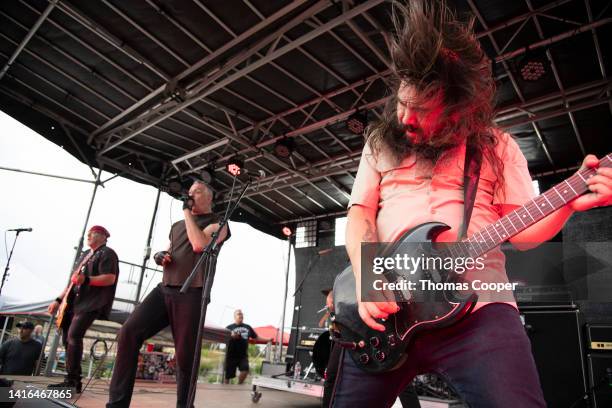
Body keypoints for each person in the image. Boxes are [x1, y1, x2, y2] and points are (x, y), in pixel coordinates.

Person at [331, 2, 612, 407]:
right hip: (384, 312)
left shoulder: (497, 146)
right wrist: (368, 277)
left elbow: (525, 234)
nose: (406, 118)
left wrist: (569, 202)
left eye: (422, 112)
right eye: (402, 103)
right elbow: (358, 215)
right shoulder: (378, 143)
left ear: (456, 109)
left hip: (479, 306)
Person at [107, 180, 229, 408]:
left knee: (185, 356)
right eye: (189, 192)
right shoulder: (176, 226)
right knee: (128, 333)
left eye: (197, 191)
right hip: (164, 288)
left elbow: (198, 244)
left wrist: (186, 211)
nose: (191, 195)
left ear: (210, 197)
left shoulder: (219, 224)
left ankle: (185, 406)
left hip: (192, 293)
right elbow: (174, 251)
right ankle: (117, 404)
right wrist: (161, 256)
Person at [47, 225, 119, 392]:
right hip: (73, 303)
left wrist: (86, 280)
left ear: (102, 236)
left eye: (92, 233)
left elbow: (110, 278)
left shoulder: (107, 253)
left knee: (74, 335)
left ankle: (72, 381)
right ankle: (73, 379)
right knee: (67, 338)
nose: (88, 235)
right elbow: (73, 281)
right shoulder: (85, 255)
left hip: (91, 302)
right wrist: (58, 300)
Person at [224, 309, 270, 384]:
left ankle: (238, 385)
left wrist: (268, 339)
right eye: (239, 314)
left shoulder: (247, 327)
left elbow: (256, 337)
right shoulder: (229, 327)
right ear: (234, 316)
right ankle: (224, 390)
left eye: (242, 314)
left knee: (245, 370)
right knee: (228, 376)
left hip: (243, 356)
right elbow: (223, 337)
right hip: (231, 355)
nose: (241, 315)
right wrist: (231, 336)